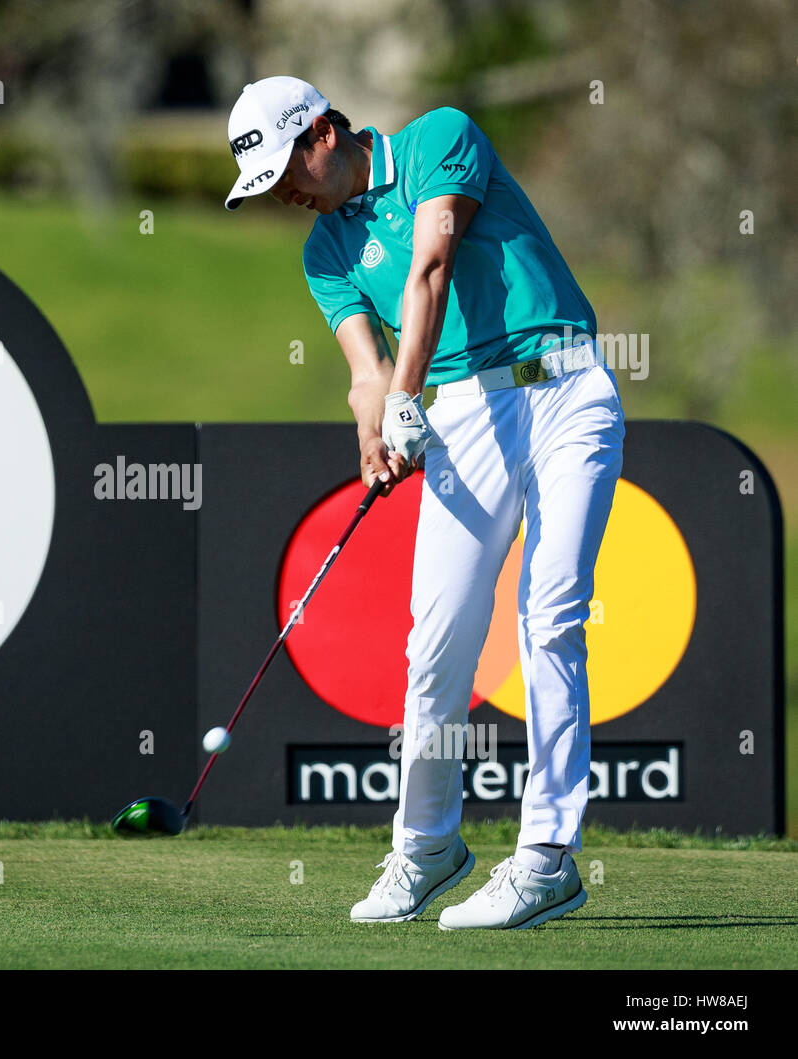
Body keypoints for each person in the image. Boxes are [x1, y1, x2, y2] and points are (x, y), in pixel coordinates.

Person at [223, 76, 624, 929]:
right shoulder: (324, 252)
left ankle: (547, 858)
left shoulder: (441, 137)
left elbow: (431, 267)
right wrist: (376, 429)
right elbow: (365, 371)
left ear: (324, 132)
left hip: (564, 387)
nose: (283, 196)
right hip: (466, 415)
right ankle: (428, 847)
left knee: (549, 614)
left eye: (284, 172)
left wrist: (406, 397)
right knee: (436, 643)